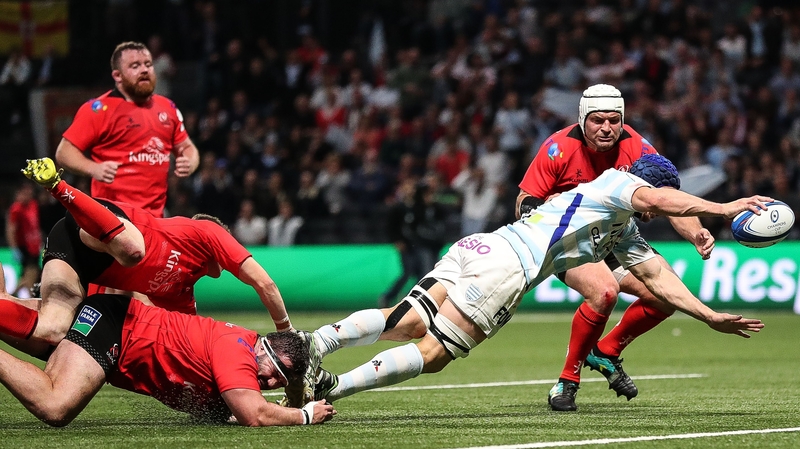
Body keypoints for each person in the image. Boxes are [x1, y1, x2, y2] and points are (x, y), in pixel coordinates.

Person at [296, 155, 766, 406]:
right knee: (433, 351)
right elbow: (661, 201)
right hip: (509, 268)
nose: (652, 207)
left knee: (403, 318)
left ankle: (313, 344)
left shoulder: (622, 228)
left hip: (480, 245)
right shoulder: (617, 184)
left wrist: (707, 316)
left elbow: (658, 278)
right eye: (655, 196)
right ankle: (331, 387)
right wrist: (723, 208)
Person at [516, 84, 718, 411]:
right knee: (605, 292)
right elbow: (523, 201)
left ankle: (606, 351)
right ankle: (567, 382)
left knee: (665, 297)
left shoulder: (637, 146)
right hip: (569, 240)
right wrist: (543, 208)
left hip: (617, 237)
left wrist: (696, 232)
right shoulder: (557, 148)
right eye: (598, 120)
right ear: (583, 120)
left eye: (614, 120)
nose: (607, 128)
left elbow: (668, 199)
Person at [0, 158, 294, 360]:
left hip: (71, 254)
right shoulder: (206, 232)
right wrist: (287, 334)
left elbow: (190, 341)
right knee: (133, 251)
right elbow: (264, 283)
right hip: (99, 224)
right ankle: (57, 184)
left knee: (53, 328)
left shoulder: (181, 295)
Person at [0, 287, 336, 426]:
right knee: (56, 406)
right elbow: (255, 415)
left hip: (118, 323)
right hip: (116, 330)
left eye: (280, 378)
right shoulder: (239, 351)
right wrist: (305, 415)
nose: (271, 381)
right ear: (263, 347)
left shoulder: (245, 355)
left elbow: (225, 412)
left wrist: (294, 389)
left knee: (7, 316)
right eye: (276, 369)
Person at [54, 41, 200, 218]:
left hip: (155, 222)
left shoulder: (167, 107)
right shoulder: (98, 109)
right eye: (135, 66)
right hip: (112, 221)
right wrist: (93, 168)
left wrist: (190, 162)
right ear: (117, 75)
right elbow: (64, 152)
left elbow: (187, 148)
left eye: (148, 64)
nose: (144, 70)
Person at [5, 183, 42, 297]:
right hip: (25, 248)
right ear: (19, 193)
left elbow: (35, 225)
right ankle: (12, 298)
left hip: (35, 247)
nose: (29, 194)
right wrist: (14, 248)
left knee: (29, 277)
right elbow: (11, 230)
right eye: (26, 192)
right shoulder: (16, 209)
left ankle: (9, 297)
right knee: (31, 276)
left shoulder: (33, 205)